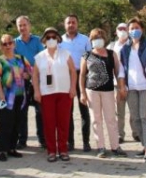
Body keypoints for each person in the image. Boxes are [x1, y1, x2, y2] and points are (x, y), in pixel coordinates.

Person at [79, 28, 127, 158]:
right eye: (94, 38)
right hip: (92, 91)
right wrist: (82, 93)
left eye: (100, 37)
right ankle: (100, 147)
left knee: (111, 119)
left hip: (109, 90)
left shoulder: (112, 54)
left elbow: (118, 72)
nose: (97, 40)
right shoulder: (86, 55)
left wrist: (121, 87)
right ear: (91, 40)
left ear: (104, 39)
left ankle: (115, 146)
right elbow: (82, 75)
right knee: (96, 120)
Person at [33, 27, 76, 163]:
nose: (51, 40)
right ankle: (51, 151)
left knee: (63, 122)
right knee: (49, 123)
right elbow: (34, 75)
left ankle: (63, 150)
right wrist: (36, 91)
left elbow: (73, 72)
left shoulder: (65, 53)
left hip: (64, 92)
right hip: (47, 93)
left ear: (58, 39)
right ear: (44, 40)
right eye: (48, 37)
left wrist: (73, 88)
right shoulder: (39, 57)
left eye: (53, 37)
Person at [119, 17, 146, 161]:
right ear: (128, 32)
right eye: (131, 29)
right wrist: (122, 86)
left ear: (142, 29)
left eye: (137, 28)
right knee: (135, 119)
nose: (134, 31)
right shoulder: (125, 49)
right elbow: (122, 69)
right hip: (131, 88)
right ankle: (144, 144)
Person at [0, 34, 33, 161]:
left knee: (16, 123)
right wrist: (0, 92)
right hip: (4, 97)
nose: (8, 45)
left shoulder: (21, 58)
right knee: (5, 123)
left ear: (14, 44)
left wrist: (27, 75)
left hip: (20, 97)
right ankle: (2, 150)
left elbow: (31, 71)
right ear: (1, 47)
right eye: (5, 44)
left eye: (10, 43)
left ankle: (12, 148)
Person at [13, 15, 45, 149]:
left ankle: (42, 140)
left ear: (29, 25)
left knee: (40, 111)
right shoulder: (14, 43)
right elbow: (12, 62)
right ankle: (22, 140)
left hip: (38, 79)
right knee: (22, 111)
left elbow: (42, 58)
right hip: (22, 80)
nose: (22, 28)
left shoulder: (37, 41)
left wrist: (34, 73)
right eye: (20, 25)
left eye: (24, 25)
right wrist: (22, 73)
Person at [61, 14, 92, 152]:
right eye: (69, 23)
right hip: (65, 76)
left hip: (82, 76)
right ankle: (70, 142)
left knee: (84, 111)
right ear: (65, 25)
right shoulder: (60, 41)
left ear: (77, 24)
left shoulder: (85, 40)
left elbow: (90, 58)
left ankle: (86, 142)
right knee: (68, 112)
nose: (71, 25)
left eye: (73, 22)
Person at [107, 22, 133, 143]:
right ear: (116, 32)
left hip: (133, 82)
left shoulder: (134, 44)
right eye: (120, 28)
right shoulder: (111, 46)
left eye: (125, 28)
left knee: (134, 110)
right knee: (119, 111)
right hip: (117, 83)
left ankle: (137, 133)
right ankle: (120, 134)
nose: (122, 30)